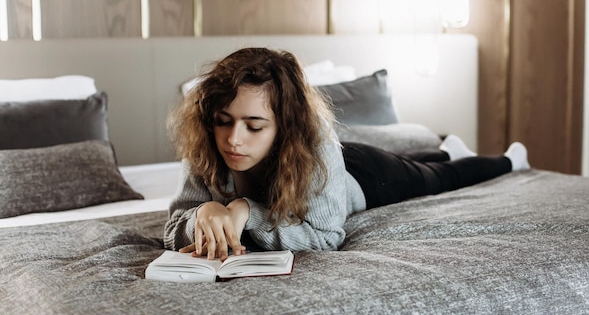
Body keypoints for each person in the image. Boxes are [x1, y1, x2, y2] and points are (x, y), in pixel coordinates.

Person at [164, 47, 530, 261]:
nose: (233, 140)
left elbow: (326, 237)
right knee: (423, 162)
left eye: (254, 126)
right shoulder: (207, 145)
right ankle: (444, 150)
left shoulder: (314, 147)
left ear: (285, 128)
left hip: (364, 175)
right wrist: (203, 212)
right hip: (345, 164)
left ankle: (511, 158)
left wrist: (246, 210)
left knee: (434, 178)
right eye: (223, 121)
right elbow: (173, 227)